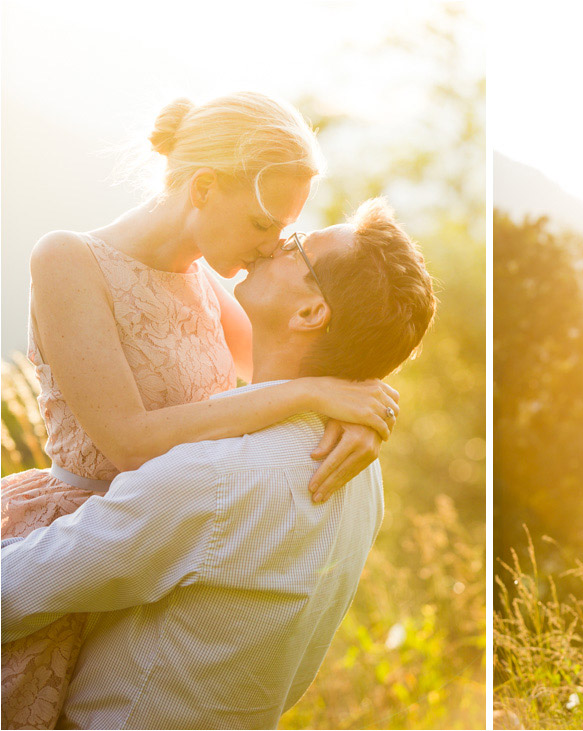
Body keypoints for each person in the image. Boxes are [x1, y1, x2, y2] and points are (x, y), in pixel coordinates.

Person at [0, 92, 397, 729]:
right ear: (205, 188)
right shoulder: (68, 259)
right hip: (78, 540)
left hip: (161, 547)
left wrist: (356, 408)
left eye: (285, 233)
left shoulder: (208, 280)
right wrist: (311, 395)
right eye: (265, 225)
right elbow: (130, 444)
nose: (272, 249)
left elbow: (299, 353)